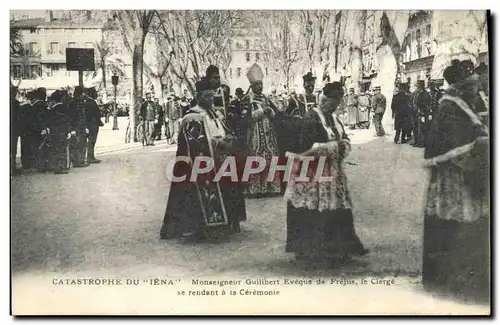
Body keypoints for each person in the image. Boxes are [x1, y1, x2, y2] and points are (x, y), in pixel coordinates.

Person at [422, 54, 489, 303]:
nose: (477, 90)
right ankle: (451, 278)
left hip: (467, 176)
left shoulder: (466, 104)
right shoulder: (448, 105)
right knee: (454, 224)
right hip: (451, 179)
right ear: (461, 87)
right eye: (473, 86)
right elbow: (450, 142)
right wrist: (479, 144)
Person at [284, 82, 368, 263]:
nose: (336, 106)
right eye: (333, 102)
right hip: (313, 174)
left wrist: (343, 145)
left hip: (333, 173)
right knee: (313, 209)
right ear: (326, 99)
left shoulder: (335, 119)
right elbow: (306, 146)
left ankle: (339, 249)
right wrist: (332, 147)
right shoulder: (311, 118)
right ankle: (310, 250)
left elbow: (344, 138)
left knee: (337, 208)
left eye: (338, 102)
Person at [160, 77, 246, 240]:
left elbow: (223, 130)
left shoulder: (214, 113)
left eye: (211, 95)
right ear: (199, 97)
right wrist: (218, 143)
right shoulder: (192, 117)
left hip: (221, 160)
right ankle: (203, 227)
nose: (210, 99)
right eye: (207, 96)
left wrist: (228, 139)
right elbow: (196, 144)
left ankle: (226, 222)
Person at [240, 63, 281, 197]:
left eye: (261, 83)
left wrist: (271, 113)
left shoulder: (266, 98)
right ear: (252, 86)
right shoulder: (247, 99)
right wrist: (263, 111)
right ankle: (256, 188)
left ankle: (271, 187)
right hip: (255, 135)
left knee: (271, 157)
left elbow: (276, 114)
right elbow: (246, 118)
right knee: (256, 159)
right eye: (257, 84)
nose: (260, 86)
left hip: (269, 134)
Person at [46, 90, 72, 174]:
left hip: (55, 132)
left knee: (56, 149)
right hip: (62, 132)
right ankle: (61, 167)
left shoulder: (52, 110)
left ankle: (58, 166)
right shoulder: (64, 108)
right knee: (62, 149)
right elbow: (67, 120)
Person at [68, 86, 89, 167]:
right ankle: (77, 162)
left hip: (80, 127)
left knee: (82, 143)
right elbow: (72, 117)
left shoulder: (77, 102)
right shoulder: (74, 103)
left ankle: (80, 160)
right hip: (77, 127)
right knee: (78, 144)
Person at [85, 87, 104, 163]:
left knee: (92, 140)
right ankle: (90, 157)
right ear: (91, 93)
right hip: (92, 123)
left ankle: (91, 156)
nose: (96, 94)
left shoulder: (89, 101)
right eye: (95, 92)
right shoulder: (90, 102)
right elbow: (95, 114)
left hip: (93, 123)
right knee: (92, 140)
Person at [411, 80, 431, 148]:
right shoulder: (417, 93)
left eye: (419, 85)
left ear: (422, 85)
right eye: (417, 85)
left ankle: (422, 143)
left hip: (422, 113)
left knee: (421, 128)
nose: (417, 86)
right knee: (415, 128)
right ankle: (416, 141)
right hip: (415, 113)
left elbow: (426, 104)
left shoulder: (425, 93)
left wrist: (422, 114)